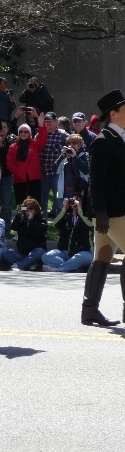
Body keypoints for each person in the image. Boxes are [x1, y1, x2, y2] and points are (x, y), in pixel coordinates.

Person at [80, 89, 125, 326]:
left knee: (102, 257)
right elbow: (95, 180)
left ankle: (89, 310)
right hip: (112, 212)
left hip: (113, 211)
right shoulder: (103, 141)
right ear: (113, 113)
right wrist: (100, 212)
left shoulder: (120, 138)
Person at [42, 195, 93, 272]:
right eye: (73, 200)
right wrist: (64, 209)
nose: (74, 202)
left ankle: (59, 269)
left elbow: (90, 225)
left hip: (85, 252)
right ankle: (70, 267)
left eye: (77, 200)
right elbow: (55, 224)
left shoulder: (87, 217)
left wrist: (80, 210)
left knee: (79, 257)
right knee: (46, 256)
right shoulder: (67, 217)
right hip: (67, 252)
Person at [6, 118, 48, 204]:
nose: (23, 133)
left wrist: (41, 125)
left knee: (35, 201)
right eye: (21, 132)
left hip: (34, 177)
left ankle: (36, 216)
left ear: (29, 133)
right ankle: (22, 215)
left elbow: (43, 137)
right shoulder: (13, 147)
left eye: (26, 132)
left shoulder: (35, 144)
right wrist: (18, 172)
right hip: (19, 178)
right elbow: (10, 163)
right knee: (20, 201)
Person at [3, 198, 48, 271]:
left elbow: (40, 231)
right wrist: (18, 215)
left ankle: (19, 266)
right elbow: (13, 227)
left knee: (40, 251)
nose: (28, 211)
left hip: (35, 251)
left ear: (36, 210)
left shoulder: (42, 220)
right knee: (6, 253)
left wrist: (31, 220)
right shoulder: (22, 220)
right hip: (22, 253)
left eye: (31, 209)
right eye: (26, 209)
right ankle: (29, 263)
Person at [38, 111, 69, 216]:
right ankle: (43, 225)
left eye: (50, 120)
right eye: (45, 120)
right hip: (43, 173)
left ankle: (60, 226)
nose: (48, 122)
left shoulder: (63, 135)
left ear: (56, 122)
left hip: (58, 174)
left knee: (59, 200)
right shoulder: (39, 134)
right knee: (42, 202)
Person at [0, 122, 15, 224]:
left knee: (6, 205)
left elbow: (9, 158)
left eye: (4, 127)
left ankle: (5, 228)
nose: (1, 130)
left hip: (6, 177)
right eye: (0, 127)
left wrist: (1, 146)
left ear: (8, 129)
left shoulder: (11, 140)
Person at [58, 134, 89, 201]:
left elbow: (86, 170)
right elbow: (55, 169)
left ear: (80, 145)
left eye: (74, 143)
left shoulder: (85, 155)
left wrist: (75, 157)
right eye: (69, 143)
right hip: (66, 191)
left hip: (79, 191)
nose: (71, 145)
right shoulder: (65, 156)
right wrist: (61, 156)